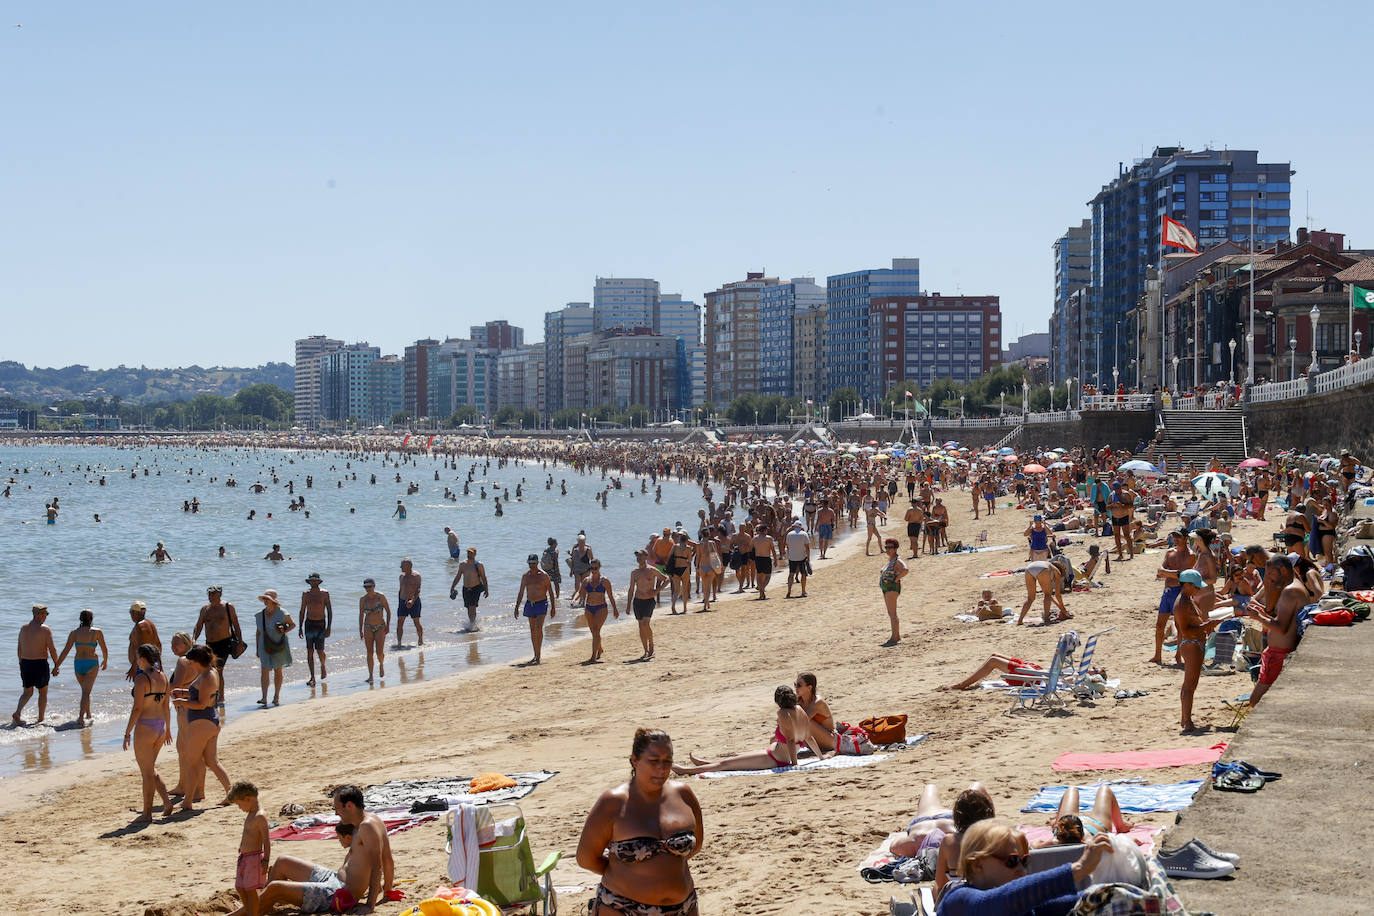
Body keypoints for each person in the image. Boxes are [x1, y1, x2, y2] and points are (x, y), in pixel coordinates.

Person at [575, 728, 703, 915]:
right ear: (635, 760)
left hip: (684, 906)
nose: (662, 768)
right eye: (654, 761)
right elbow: (586, 859)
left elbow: (696, 845)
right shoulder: (613, 802)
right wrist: (625, 873)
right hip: (623, 906)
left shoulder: (684, 795)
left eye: (667, 761)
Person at [936, 818, 1113, 916]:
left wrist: (1109, 893)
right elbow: (1005, 901)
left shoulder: (1019, 904)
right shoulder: (957, 899)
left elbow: (1060, 902)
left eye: (1025, 860)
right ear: (978, 865)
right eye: (1012, 861)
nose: (1022, 870)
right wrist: (1079, 868)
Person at [671, 685, 824, 775]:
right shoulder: (799, 710)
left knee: (724, 766)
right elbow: (809, 738)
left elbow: (790, 740)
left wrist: (794, 763)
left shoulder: (782, 713)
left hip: (775, 759)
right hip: (774, 753)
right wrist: (821, 758)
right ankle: (705, 763)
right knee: (734, 758)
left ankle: (685, 771)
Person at [171, 644, 232, 810]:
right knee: (212, 761)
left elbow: (201, 704)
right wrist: (182, 693)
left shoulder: (207, 677)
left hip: (201, 724)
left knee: (193, 763)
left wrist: (181, 702)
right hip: (210, 722)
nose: (190, 665)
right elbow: (201, 694)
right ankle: (230, 792)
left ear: (199, 661)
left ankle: (187, 801)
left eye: (192, 662)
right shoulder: (209, 672)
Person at [1246, 556, 1305, 708]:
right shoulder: (1295, 586)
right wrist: (1261, 612)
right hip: (1278, 652)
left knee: (1255, 701)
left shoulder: (1290, 591)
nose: (1268, 578)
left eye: (1271, 573)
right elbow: (1283, 620)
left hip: (1279, 653)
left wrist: (1258, 617)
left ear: (1283, 570)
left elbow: (1281, 627)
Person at [123, 643, 172, 823]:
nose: (136, 660)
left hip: (145, 727)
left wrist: (127, 733)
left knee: (146, 773)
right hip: (160, 726)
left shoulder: (142, 679)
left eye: (137, 657)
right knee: (150, 768)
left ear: (142, 659)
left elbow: (137, 709)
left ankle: (147, 814)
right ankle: (167, 802)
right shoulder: (164, 677)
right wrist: (168, 729)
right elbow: (166, 706)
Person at [1173, 569, 1226, 732]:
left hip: (1195, 643)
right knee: (1189, 684)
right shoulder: (1182, 604)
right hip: (1191, 644)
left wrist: (1206, 624)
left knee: (1191, 684)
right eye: (1196, 587)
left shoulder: (1188, 599)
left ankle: (1185, 718)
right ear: (1187, 585)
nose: (1198, 589)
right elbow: (1186, 631)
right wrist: (1207, 626)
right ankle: (1187, 721)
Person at [54, 608, 109, 724]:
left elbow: (65, 651)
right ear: (91, 619)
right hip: (91, 663)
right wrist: (105, 660)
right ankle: (80, 717)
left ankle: (88, 715)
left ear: (80, 619)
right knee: (86, 692)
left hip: (78, 664)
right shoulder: (96, 632)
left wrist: (56, 666)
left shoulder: (74, 633)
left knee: (85, 691)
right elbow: (104, 648)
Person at [1148, 529, 1191, 664]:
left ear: (1185, 538)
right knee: (1160, 625)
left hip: (1180, 591)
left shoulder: (1190, 554)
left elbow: (1182, 575)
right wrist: (1172, 573)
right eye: (1174, 536)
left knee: (1179, 626)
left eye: (1178, 536)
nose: (1176, 539)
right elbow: (1160, 571)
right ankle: (1157, 655)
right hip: (1168, 591)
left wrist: (1166, 573)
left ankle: (1178, 655)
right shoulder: (1170, 552)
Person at [228, 781, 270, 916]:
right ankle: (248, 911)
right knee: (240, 888)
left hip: (254, 858)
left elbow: (266, 840)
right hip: (244, 858)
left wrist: (266, 860)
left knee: (250, 890)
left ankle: (254, 913)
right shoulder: (250, 814)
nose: (240, 808)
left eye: (239, 804)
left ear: (248, 799)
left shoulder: (260, 816)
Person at [13, 604, 59, 725]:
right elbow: (52, 649)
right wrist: (57, 665)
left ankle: (17, 712)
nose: (45, 617)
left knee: (27, 692)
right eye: (44, 614)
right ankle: (40, 718)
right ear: (38, 615)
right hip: (40, 664)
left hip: (25, 663)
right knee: (42, 692)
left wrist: (20, 663)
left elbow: (19, 647)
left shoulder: (23, 628)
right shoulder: (45, 629)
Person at [193, 585, 243, 684]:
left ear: (220, 594)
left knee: (218, 669)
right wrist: (194, 639)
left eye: (213, 594)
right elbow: (199, 626)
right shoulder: (205, 609)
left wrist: (240, 642)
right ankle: (211, 693)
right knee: (208, 669)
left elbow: (236, 626)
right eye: (209, 594)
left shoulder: (228, 607)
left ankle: (220, 696)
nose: (210, 597)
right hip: (209, 644)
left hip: (224, 643)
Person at [514, 552, 557, 665]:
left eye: (533, 563)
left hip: (541, 603)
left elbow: (551, 593)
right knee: (533, 630)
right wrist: (516, 607)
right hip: (530, 604)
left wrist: (553, 608)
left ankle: (538, 655)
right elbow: (521, 592)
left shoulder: (544, 576)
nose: (531, 565)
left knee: (538, 627)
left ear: (537, 562)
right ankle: (535, 654)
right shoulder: (526, 576)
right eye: (530, 563)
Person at [627, 549, 669, 661]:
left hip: (649, 601)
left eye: (640, 556)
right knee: (641, 626)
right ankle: (645, 651)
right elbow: (631, 589)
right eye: (637, 557)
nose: (638, 559)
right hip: (638, 601)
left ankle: (651, 647)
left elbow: (667, 579)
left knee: (646, 623)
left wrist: (657, 591)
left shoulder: (652, 570)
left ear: (646, 557)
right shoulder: (634, 572)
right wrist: (628, 605)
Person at [254, 589, 294, 706]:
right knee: (264, 670)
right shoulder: (260, 615)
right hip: (264, 645)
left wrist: (284, 630)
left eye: (268, 599)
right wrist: (257, 648)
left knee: (278, 670)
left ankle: (276, 697)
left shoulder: (282, 612)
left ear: (273, 601)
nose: (266, 601)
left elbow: (292, 625)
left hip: (279, 644)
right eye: (265, 599)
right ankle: (264, 697)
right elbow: (258, 632)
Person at [576, 560, 619, 664]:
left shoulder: (604, 581)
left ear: (599, 568)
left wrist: (615, 609)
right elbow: (580, 591)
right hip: (589, 608)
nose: (593, 570)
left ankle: (593, 656)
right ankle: (599, 649)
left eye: (595, 568)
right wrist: (574, 599)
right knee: (594, 632)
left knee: (596, 630)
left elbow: (610, 595)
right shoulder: (586, 580)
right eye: (592, 568)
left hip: (601, 608)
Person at [298, 573, 333, 687]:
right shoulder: (305, 594)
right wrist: (300, 627)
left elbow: (329, 610)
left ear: (319, 582)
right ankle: (312, 677)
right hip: (309, 624)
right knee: (309, 651)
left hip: (320, 624)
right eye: (311, 581)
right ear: (309, 582)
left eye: (315, 581)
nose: (313, 582)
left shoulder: (324, 593)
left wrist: (329, 627)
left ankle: (323, 665)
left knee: (320, 651)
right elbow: (302, 610)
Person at [1016, 559, 1069, 626]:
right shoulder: (1057, 572)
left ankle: (1020, 620)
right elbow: (1057, 594)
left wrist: (1060, 607)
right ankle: (1046, 618)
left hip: (1029, 568)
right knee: (1047, 595)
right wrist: (1063, 608)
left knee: (1030, 598)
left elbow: (1051, 598)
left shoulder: (1049, 565)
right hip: (1043, 569)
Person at [357, 578, 391, 682]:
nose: (368, 589)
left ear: (374, 586)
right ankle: (371, 675)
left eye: (369, 586)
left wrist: (388, 625)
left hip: (380, 626)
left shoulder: (381, 597)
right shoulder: (363, 599)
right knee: (369, 652)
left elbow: (388, 612)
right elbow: (361, 615)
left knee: (379, 652)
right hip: (368, 627)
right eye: (366, 587)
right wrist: (360, 630)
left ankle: (381, 664)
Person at [449, 547, 489, 632]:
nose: (469, 554)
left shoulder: (479, 564)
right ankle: (472, 625)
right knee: (468, 607)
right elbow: (458, 576)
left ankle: (472, 625)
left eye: (471, 553)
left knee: (472, 607)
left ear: (475, 554)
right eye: (468, 553)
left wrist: (486, 589)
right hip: (466, 589)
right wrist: (452, 586)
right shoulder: (463, 564)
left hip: (476, 588)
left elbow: (484, 577)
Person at [878, 538, 909, 646]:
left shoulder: (897, 560)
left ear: (895, 548)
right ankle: (896, 635)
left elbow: (905, 570)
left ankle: (894, 637)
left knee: (893, 614)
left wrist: (896, 579)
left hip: (892, 588)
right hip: (887, 588)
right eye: (886, 547)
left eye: (890, 548)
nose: (887, 550)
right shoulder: (890, 560)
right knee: (891, 613)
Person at [794, 672, 835, 753]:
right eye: (795, 684)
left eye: (799, 685)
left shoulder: (818, 702)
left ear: (809, 688)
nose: (795, 688)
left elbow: (803, 721)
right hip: (812, 743)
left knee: (806, 721)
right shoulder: (799, 702)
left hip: (830, 741)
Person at [126, 600, 161, 681]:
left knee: (141, 691)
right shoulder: (151, 624)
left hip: (142, 665)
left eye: (130, 612)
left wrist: (134, 667)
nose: (130, 614)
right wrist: (159, 664)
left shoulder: (139, 626)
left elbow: (140, 648)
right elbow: (158, 645)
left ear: (135, 613)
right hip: (152, 663)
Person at [394, 557, 423, 646]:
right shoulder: (401, 576)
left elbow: (418, 590)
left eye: (402, 565)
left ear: (409, 566)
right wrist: (400, 601)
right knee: (400, 621)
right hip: (402, 601)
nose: (400, 567)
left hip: (414, 601)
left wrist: (412, 601)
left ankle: (420, 640)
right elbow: (400, 589)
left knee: (416, 622)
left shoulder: (416, 576)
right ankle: (399, 643)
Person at [784, 521, 812, 598]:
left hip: (792, 557)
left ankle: (789, 591)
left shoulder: (789, 534)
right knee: (803, 574)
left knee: (791, 574)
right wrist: (808, 558)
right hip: (802, 557)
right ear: (801, 527)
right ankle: (803, 591)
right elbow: (807, 548)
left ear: (794, 527)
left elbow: (787, 545)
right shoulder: (804, 534)